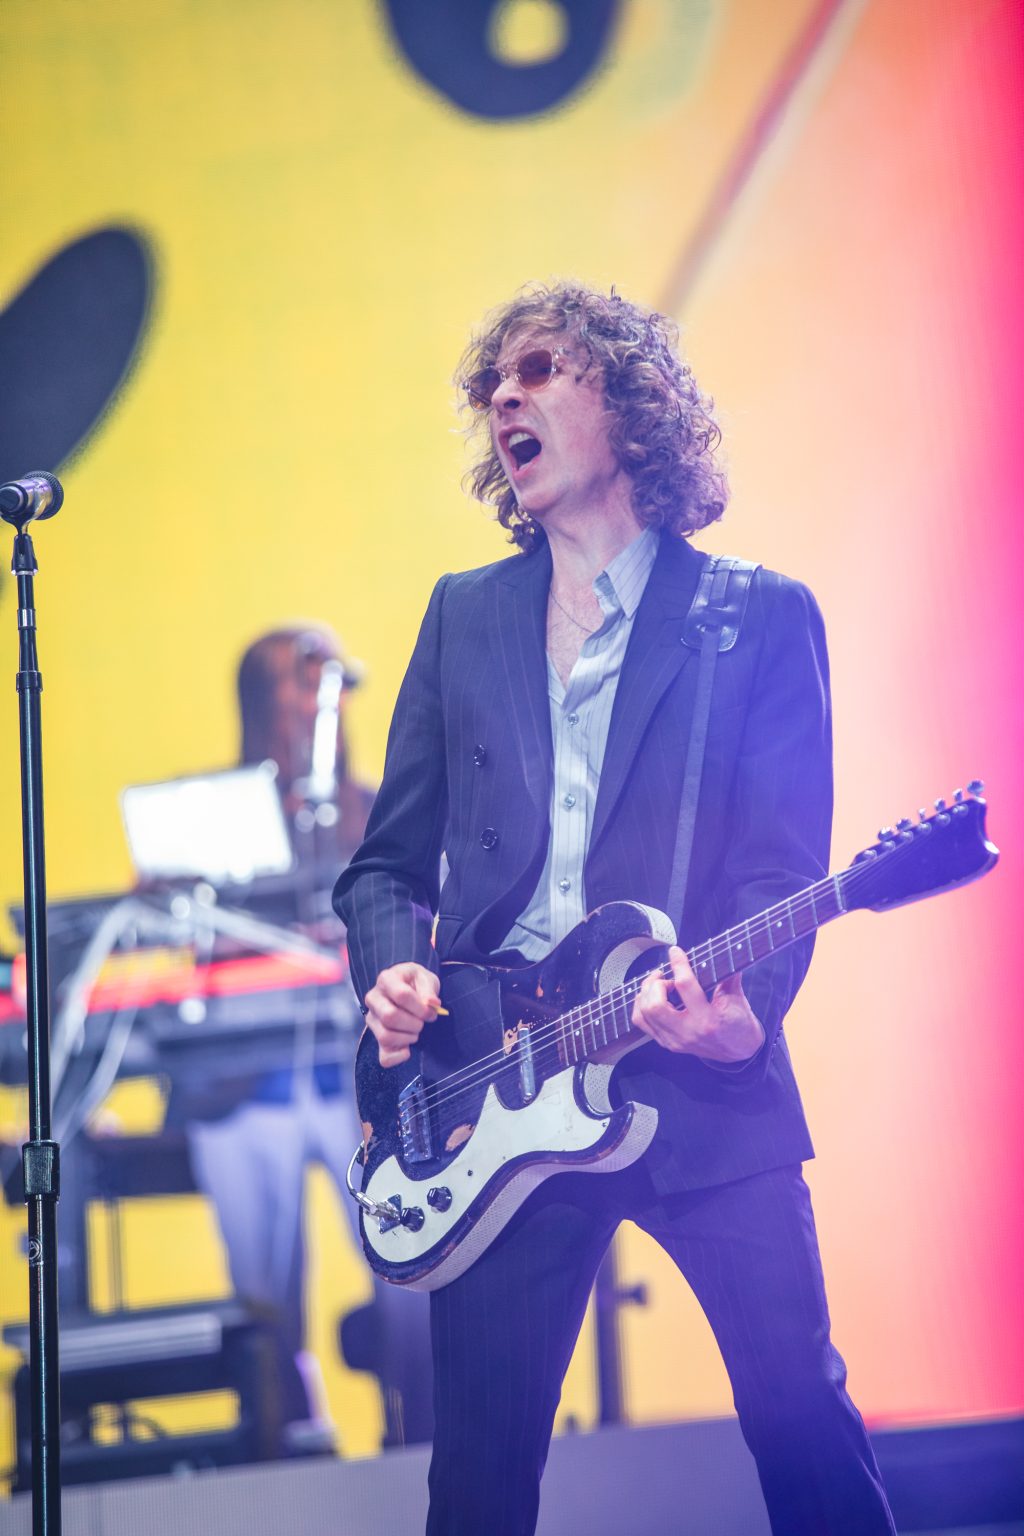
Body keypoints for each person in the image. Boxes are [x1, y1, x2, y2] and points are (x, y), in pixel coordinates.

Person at [334, 282, 895, 1534]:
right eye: (493, 384)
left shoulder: (755, 616)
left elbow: (779, 870)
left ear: (630, 406)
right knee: (478, 1483)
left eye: (540, 370)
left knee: (800, 1418)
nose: (505, 396)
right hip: (493, 1083)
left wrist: (744, 1018)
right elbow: (383, 869)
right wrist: (392, 970)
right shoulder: (465, 615)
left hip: (692, 1065)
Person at [181, 626, 433, 1452]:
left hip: (360, 1083)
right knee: (264, 1300)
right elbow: (170, 932)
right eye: (295, 681)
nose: (315, 698)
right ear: (262, 700)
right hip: (241, 1091)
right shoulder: (212, 818)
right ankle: (291, 1445)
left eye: (325, 682)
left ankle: (423, 1443)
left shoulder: (375, 810)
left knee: (410, 1270)